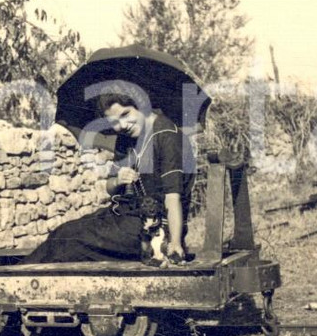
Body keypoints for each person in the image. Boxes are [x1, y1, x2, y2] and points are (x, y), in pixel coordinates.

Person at [21, 91, 193, 264]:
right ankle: (17, 275)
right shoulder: (127, 138)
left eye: (126, 114)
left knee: (72, 242)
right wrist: (118, 180)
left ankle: (18, 280)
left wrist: (175, 243)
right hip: (126, 215)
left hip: (153, 229)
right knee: (63, 232)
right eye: (114, 123)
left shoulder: (167, 135)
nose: (122, 125)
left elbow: (173, 197)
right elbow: (110, 188)